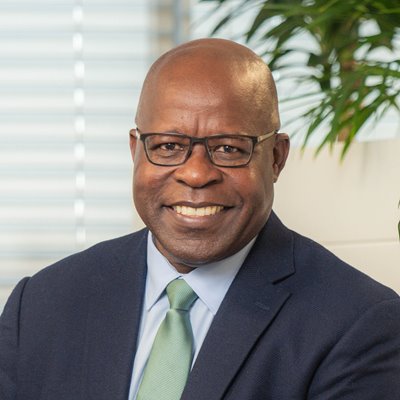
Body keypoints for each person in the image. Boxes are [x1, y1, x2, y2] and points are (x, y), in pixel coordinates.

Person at [0, 38, 399, 400]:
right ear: (135, 151)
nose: (195, 174)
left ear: (276, 158)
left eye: (228, 148)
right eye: (168, 146)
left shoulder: (359, 324)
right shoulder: (39, 305)